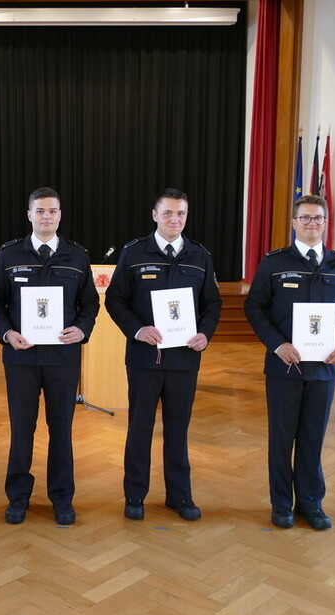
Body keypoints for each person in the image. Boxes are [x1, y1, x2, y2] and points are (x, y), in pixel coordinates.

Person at [244, 194, 335, 530]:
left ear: (326, 223)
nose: (313, 223)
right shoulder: (274, 262)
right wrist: (277, 344)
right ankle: (281, 503)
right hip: (285, 366)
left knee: (313, 438)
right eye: (306, 218)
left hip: (324, 368)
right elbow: (255, 308)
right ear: (294, 222)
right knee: (282, 438)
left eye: (318, 218)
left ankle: (311, 503)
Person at [0, 187, 100, 525]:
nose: (46, 216)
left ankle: (62, 499)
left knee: (61, 429)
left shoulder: (76, 257)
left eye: (52, 211)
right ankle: (18, 497)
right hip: (21, 358)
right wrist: (7, 333)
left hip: (63, 359)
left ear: (60, 215)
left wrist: (82, 329)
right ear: (29, 215)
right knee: (22, 429)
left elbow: (90, 304)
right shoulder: (9, 255)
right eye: (40, 211)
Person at [105, 188, 222, 521]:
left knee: (178, 429)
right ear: (155, 215)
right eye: (168, 213)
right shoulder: (133, 252)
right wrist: (137, 329)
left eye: (181, 214)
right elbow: (115, 299)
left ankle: (179, 496)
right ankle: (135, 495)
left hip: (185, 359)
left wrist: (205, 333)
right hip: (144, 359)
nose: (175, 219)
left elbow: (212, 303)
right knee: (140, 428)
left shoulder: (199, 255)